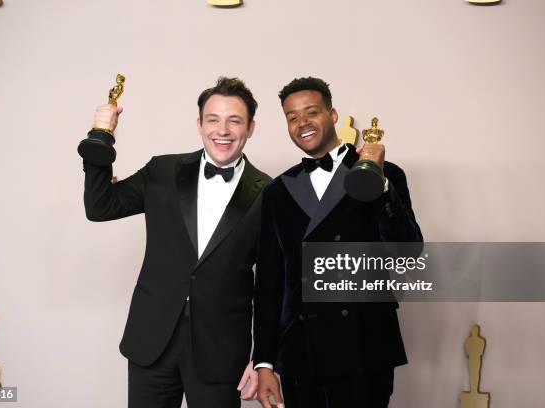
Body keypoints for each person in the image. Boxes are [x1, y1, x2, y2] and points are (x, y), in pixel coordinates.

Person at [81, 77, 271, 408]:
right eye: (213, 119)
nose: (222, 130)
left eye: (234, 120)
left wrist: (262, 359)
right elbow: (100, 207)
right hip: (151, 339)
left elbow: (271, 284)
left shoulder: (269, 194)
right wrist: (101, 137)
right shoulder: (162, 170)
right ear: (199, 124)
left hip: (221, 351)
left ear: (251, 127)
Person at [253, 77, 422, 408]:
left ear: (332, 114)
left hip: (364, 346)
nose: (302, 123)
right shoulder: (277, 192)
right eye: (292, 116)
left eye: (311, 112)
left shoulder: (385, 174)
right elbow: (270, 283)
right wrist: (264, 363)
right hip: (300, 352)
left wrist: (377, 180)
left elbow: (407, 253)